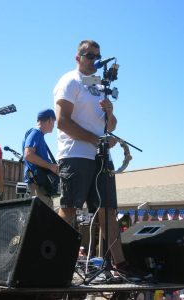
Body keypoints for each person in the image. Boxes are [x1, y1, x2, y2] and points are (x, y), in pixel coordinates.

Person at [53, 40, 148, 278]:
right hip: (75, 153)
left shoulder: (98, 85)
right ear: (78, 57)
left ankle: (120, 263)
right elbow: (62, 121)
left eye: (97, 55)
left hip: (101, 156)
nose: (94, 59)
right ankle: (58, 261)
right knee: (69, 207)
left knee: (108, 209)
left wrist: (109, 112)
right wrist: (95, 140)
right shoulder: (69, 80)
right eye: (89, 55)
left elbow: (111, 125)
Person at [22, 109, 58, 209]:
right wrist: (50, 166)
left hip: (38, 183)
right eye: (53, 122)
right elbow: (28, 154)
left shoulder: (38, 134)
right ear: (50, 120)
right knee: (44, 214)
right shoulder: (36, 132)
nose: (53, 125)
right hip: (36, 183)